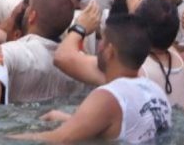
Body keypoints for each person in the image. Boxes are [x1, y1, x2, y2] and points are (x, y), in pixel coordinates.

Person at [11, 13, 172, 143]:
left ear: (110, 51)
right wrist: (71, 120)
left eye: (102, 41)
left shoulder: (108, 97)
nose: (99, 46)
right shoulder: (155, 90)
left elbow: (58, 140)